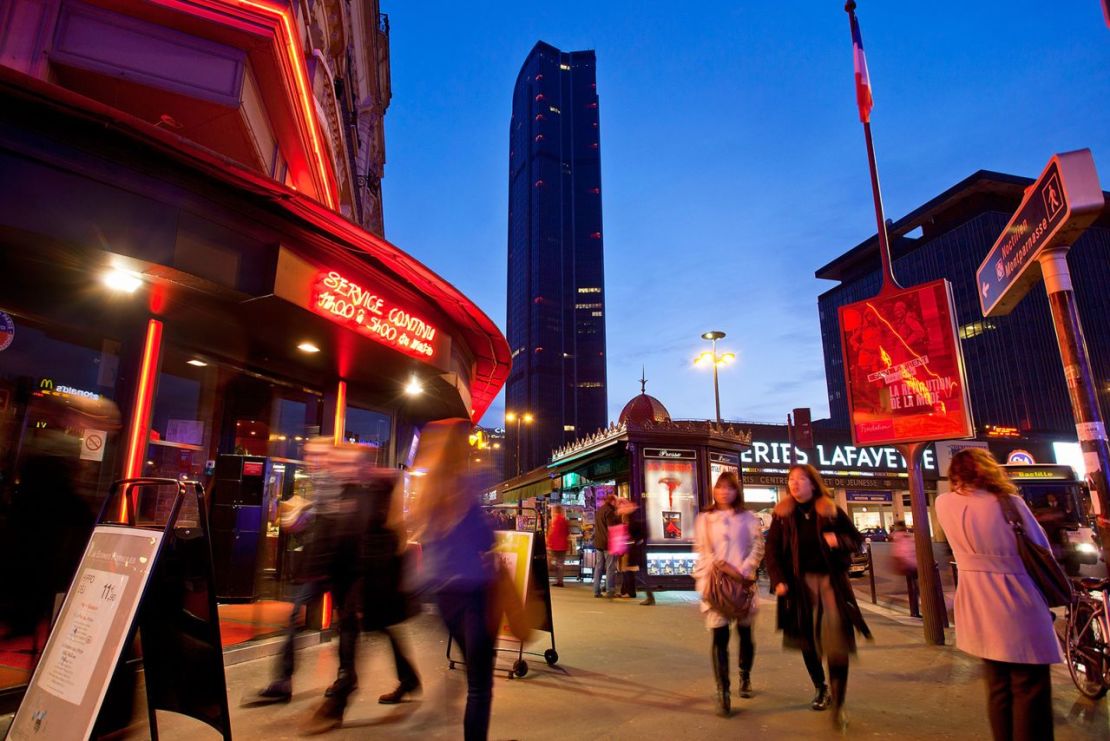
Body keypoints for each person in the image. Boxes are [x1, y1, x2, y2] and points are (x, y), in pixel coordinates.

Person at [935, 448, 1062, 741]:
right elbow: (1040, 547)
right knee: (1029, 685)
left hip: (975, 600)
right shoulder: (1008, 503)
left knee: (998, 685)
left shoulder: (944, 504)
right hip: (1015, 596)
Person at [765, 464, 871, 731]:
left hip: (831, 585)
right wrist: (778, 580)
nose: (795, 484)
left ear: (813, 483)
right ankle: (820, 687)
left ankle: (839, 701)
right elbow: (772, 550)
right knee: (808, 642)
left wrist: (839, 540)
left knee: (837, 644)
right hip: (798, 588)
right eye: (791, 480)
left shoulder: (830, 510)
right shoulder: (782, 514)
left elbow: (857, 540)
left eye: (801, 479)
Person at [410, 419, 497, 741]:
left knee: (471, 672)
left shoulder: (427, 491)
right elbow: (485, 540)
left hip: (444, 597)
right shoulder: (466, 485)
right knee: (480, 685)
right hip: (475, 593)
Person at [694, 472, 764, 717]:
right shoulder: (705, 518)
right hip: (715, 585)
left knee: (745, 634)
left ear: (736, 492)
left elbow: (758, 545)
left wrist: (745, 569)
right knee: (719, 638)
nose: (724, 492)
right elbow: (702, 550)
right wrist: (717, 569)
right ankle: (723, 689)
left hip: (743, 585)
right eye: (720, 487)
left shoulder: (748, 518)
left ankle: (745, 673)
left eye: (729, 488)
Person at [593, 493, 621, 598]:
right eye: (616, 501)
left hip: (599, 543)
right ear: (612, 501)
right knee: (610, 567)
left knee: (599, 567)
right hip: (608, 544)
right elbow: (611, 529)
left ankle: (596, 591)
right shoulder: (610, 511)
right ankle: (610, 590)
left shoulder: (600, 510)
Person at [889, 520, 920, 615]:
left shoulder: (897, 536)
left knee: (912, 586)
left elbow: (898, 552)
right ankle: (915, 610)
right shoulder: (906, 536)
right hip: (910, 563)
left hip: (908, 563)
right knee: (915, 587)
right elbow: (903, 551)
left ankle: (914, 609)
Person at [546, 504, 569, 587]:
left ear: (555, 511)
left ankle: (545, 579)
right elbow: (567, 532)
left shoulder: (554, 521)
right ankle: (560, 581)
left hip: (555, 545)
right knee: (560, 564)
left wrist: (549, 543)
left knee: (550, 562)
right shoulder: (564, 520)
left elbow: (553, 533)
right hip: (563, 545)